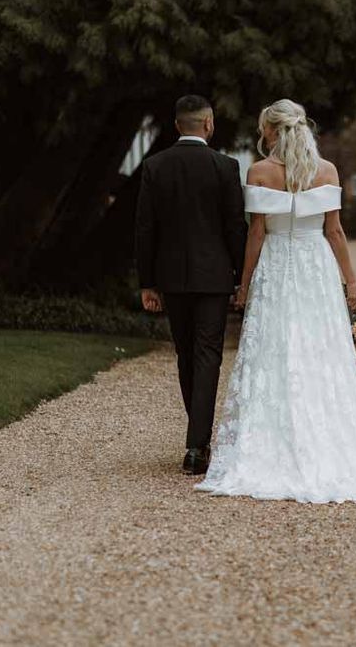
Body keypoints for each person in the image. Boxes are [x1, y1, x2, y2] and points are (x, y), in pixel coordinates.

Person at [195, 98, 356, 502]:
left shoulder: (259, 171)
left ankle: (273, 441)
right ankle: (328, 438)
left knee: (273, 350)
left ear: (271, 131)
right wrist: (352, 284)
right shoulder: (326, 171)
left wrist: (245, 284)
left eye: (262, 129)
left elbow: (256, 234)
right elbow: (335, 232)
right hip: (315, 267)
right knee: (321, 350)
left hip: (275, 265)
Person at [135, 95, 246, 475]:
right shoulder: (225, 167)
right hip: (214, 278)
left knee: (186, 354)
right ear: (209, 124)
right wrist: (239, 277)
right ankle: (197, 444)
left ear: (177, 124)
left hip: (171, 278)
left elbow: (145, 230)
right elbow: (235, 227)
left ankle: (197, 439)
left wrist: (147, 283)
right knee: (207, 356)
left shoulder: (154, 166)